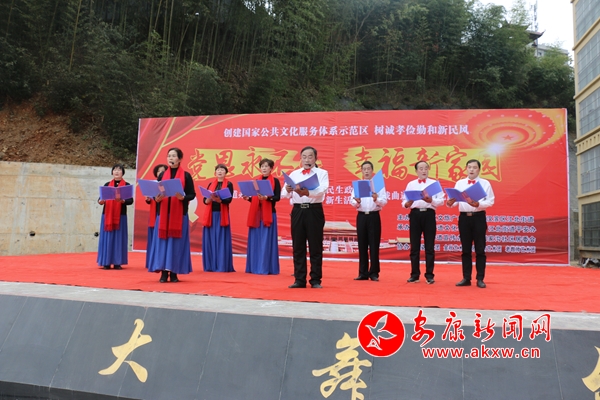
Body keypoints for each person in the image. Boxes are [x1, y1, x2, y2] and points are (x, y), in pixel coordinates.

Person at [282, 146, 329, 288]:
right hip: (298, 211)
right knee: (298, 246)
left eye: (310, 156)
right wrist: (288, 189)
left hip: (314, 211)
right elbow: (284, 194)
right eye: (304, 156)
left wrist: (308, 193)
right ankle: (299, 279)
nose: (307, 159)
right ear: (300, 158)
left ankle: (315, 280)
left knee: (315, 246)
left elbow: (322, 190)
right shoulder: (294, 174)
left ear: (315, 158)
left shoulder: (322, 173)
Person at [147, 148, 196, 282]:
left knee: (176, 244)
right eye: (169, 156)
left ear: (179, 159)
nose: (171, 158)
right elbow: (156, 192)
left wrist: (183, 198)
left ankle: (174, 273)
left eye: (174, 156)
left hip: (179, 215)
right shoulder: (162, 175)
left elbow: (192, 194)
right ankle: (163, 273)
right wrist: (156, 198)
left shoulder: (186, 176)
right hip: (163, 215)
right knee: (162, 244)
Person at [447, 159, 495, 288]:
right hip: (464, 218)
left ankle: (480, 279)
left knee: (480, 249)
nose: (472, 169)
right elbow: (455, 201)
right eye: (469, 167)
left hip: (478, 217)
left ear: (479, 169)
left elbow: (490, 201)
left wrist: (478, 204)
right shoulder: (460, 183)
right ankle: (466, 278)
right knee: (465, 249)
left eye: (474, 167)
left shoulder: (485, 183)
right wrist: (450, 202)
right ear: (466, 169)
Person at [402, 161, 445, 284]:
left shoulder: (434, 184)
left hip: (429, 214)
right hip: (415, 214)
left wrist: (431, 200)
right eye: (421, 168)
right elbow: (404, 202)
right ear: (416, 171)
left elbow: (441, 201)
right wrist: (407, 203)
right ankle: (414, 274)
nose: (423, 171)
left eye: (426, 168)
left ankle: (429, 275)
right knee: (414, 247)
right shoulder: (411, 184)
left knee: (429, 247)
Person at [350, 161, 388, 281]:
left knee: (374, 245)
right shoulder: (358, 185)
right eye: (364, 169)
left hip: (374, 216)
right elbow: (352, 201)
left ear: (372, 170)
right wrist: (357, 202)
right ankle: (363, 273)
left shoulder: (378, 185)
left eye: (368, 169)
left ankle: (374, 273)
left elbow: (384, 201)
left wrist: (376, 199)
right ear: (361, 171)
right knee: (362, 245)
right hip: (361, 216)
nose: (366, 171)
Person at [244, 159, 281, 274]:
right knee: (255, 241)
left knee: (266, 241)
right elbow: (255, 199)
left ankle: (265, 267)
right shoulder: (256, 181)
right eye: (262, 166)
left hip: (268, 214)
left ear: (271, 168)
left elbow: (277, 197)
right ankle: (254, 266)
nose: (264, 168)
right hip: (256, 214)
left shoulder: (275, 181)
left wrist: (267, 198)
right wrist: (248, 198)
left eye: (266, 166)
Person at [97, 164, 133, 270]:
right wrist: (100, 201)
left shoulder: (126, 185)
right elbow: (100, 199)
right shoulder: (107, 185)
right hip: (107, 215)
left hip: (120, 216)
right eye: (115, 170)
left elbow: (130, 201)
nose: (117, 172)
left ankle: (117, 262)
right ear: (112, 172)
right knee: (107, 238)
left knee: (119, 239)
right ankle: (106, 262)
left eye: (119, 170)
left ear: (123, 173)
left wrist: (122, 201)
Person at [202, 164, 235, 272]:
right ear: (215, 172)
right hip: (210, 215)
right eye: (218, 170)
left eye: (222, 170)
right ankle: (210, 265)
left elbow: (229, 200)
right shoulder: (211, 184)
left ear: (226, 173)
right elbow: (205, 200)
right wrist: (208, 199)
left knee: (221, 240)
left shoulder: (229, 184)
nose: (220, 172)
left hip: (222, 215)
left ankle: (222, 265)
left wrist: (220, 200)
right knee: (210, 240)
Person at [145, 164, 168, 270]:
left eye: (163, 171)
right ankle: (152, 261)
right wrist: (148, 199)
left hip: (164, 213)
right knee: (152, 239)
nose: (161, 173)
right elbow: (150, 200)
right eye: (159, 171)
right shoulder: (153, 184)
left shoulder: (168, 184)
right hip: (154, 213)